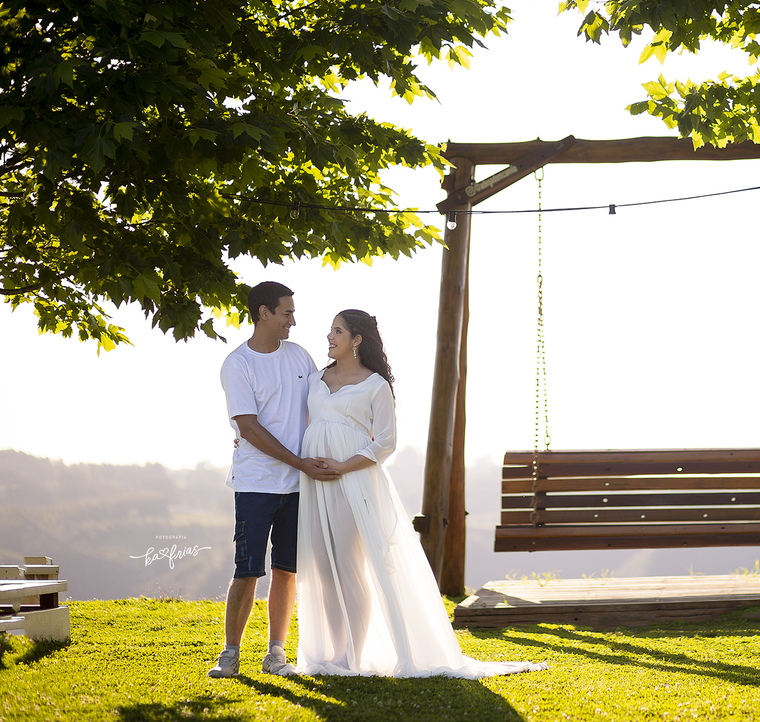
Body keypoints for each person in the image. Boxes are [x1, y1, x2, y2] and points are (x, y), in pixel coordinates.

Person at [296, 310, 546, 678]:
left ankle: (353, 654)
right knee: (323, 569)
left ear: (357, 339)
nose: (329, 336)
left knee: (350, 568)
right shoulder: (315, 379)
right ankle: (333, 652)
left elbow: (386, 443)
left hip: (354, 482)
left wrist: (342, 467)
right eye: (331, 330)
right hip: (314, 482)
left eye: (337, 331)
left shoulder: (375, 385)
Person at [209, 281, 340, 679]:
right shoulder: (238, 364)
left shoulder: (300, 357)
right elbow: (247, 426)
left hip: (299, 487)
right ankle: (230, 654)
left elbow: (327, 400)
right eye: (287, 313)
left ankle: (275, 653)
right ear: (263, 312)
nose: (293, 321)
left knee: (286, 570)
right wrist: (300, 462)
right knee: (247, 570)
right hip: (256, 483)